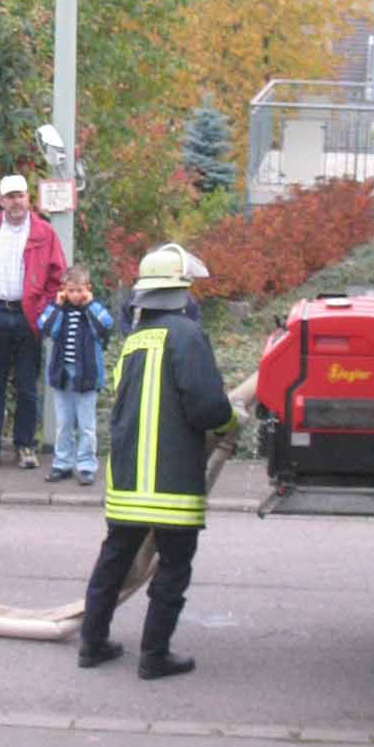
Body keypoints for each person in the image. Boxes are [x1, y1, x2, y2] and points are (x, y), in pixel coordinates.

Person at [78, 243, 241, 679]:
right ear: (179, 290)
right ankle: (154, 656)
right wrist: (231, 422)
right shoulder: (187, 336)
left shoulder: (133, 342)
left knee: (114, 560)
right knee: (173, 566)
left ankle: (91, 643)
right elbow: (207, 407)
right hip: (172, 483)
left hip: (128, 481)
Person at [0, 174, 66, 472]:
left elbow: (57, 277)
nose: (16, 201)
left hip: (28, 317)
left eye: (20, 195)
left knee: (27, 386)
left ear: (28, 198)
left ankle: (25, 446)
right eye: (10, 197)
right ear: (1, 201)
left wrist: (42, 311)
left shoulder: (45, 233)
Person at [37, 265, 113, 486]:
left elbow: (105, 326)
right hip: (63, 376)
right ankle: (62, 463)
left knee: (86, 426)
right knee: (64, 424)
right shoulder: (60, 310)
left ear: (88, 288)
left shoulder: (93, 309)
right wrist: (57, 305)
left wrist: (89, 304)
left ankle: (87, 466)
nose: (75, 295)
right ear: (63, 290)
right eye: (71, 290)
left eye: (80, 290)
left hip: (86, 377)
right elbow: (45, 327)